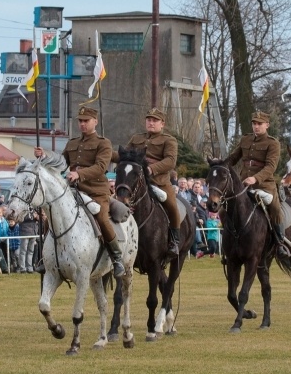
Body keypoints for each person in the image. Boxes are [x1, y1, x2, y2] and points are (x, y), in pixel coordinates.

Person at [34, 105, 124, 277]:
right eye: (80, 121)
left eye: (86, 121)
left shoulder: (103, 143)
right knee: (51, 218)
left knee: (102, 218)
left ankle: (116, 257)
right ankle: (46, 258)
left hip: (96, 191)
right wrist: (44, 155)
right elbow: (62, 162)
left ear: (95, 122)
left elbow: (100, 167)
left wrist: (79, 173)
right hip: (73, 191)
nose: (82, 124)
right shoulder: (73, 142)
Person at [112, 107, 182, 257]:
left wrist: (151, 169)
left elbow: (170, 161)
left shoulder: (169, 140)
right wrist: (105, 153)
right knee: (113, 203)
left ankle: (175, 240)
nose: (151, 123)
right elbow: (123, 155)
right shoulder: (137, 138)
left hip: (159, 182)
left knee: (172, 206)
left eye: (155, 120)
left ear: (162, 124)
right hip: (136, 183)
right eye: (149, 120)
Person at [220, 110, 291, 258]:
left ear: (267, 125)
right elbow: (233, 158)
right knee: (224, 210)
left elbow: (271, 167)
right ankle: (229, 242)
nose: (256, 126)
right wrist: (220, 164)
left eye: (259, 124)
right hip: (243, 186)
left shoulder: (273, 143)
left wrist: (255, 179)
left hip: (264, 185)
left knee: (275, 209)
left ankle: (280, 243)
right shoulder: (245, 140)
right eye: (254, 123)